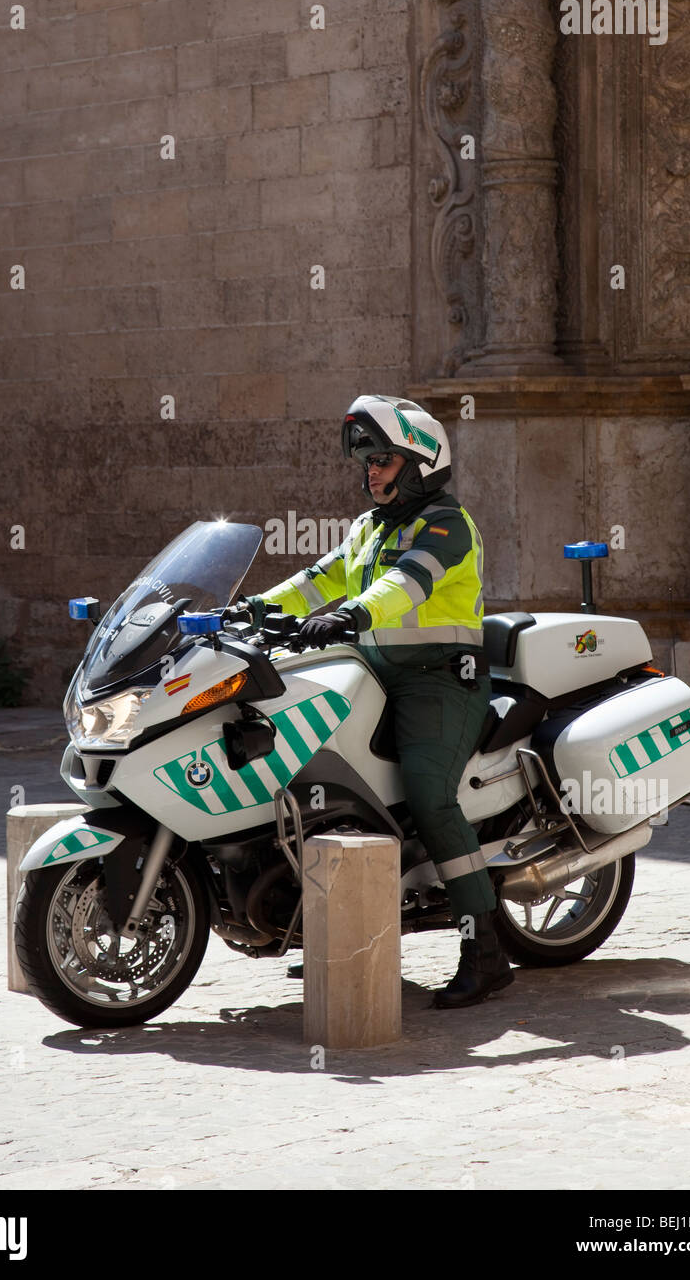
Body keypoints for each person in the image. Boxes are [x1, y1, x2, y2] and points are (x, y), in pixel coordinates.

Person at [245, 394, 514, 1009]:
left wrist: (352, 614)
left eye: (384, 459)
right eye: (367, 461)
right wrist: (254, 609)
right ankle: (338, 932)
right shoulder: (368, 528)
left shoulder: (447, 524)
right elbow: (316, 580)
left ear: (420, 463)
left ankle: (486, 953)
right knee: (315, 779)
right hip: (369, 675)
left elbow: (408, 583)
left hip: (439, 682)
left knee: (428, 794)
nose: (371, 471)